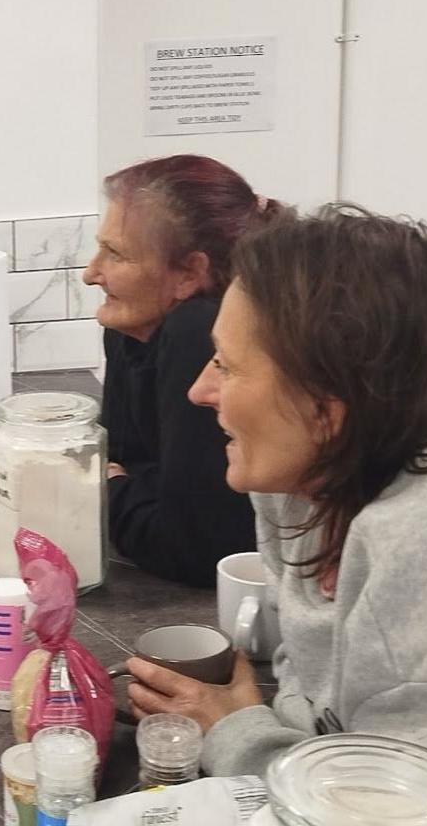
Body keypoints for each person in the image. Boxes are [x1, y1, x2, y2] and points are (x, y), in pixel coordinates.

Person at [126, 205, 427, 775]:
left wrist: (237, 732)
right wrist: (263, 720)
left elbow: (394, 803)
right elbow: (313, 688)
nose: (199, 390)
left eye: (227, 366)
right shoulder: (303, 484)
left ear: (325, 411)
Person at [83, 155, 275, 586]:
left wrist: (113, 490)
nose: (91, 273)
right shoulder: (132, 324)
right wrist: (130, 487)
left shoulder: (197, 332)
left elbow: (192, 550)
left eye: (115, 254)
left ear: (190, 273)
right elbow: (120, 458)